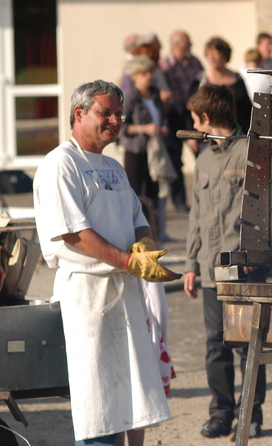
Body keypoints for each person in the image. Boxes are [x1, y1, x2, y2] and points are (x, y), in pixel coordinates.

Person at [32, 80, 180, 445]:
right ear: (79, 113)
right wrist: (131, 263)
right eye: (106, 113)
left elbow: (138, 216)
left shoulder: (113, 166)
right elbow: (74, 234)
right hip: (87, 295)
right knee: (98, 397)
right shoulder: (59, 164)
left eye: (119, 114)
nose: (115, 120)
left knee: (134, 387)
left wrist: (144, 246)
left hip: (126, 294)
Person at [183, 85, 272, 439]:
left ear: (207, 118)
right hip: (213, 273)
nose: (193, 125)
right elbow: (196, 217)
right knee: (217, 345)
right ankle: (221, 412)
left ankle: (251, 414)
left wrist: (255, 251)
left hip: (246, 271)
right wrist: (191, 265)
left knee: (248, 344)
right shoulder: (203, 159)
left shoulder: (252, 153)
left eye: (195, 119)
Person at [116, 198, 175, 446]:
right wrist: (162, 339)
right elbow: (159, 307)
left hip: (117, 330)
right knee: (138, 398)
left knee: (119, 396)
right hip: (144, 334)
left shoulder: (117, 257)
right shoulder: (147, 262)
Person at [119, 55, 168, 229]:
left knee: (154, 193)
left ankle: (154, 232)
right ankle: (134, 231)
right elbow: (122, 127)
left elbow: (162, 117)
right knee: (135, 193)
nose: (149, 76)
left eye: (150, 72)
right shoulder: (130, 97)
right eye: (144, 73)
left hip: (154, 150)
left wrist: (162, 128)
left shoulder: (155, 94)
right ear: (135, 76)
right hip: (136, 151)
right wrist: (144, 129)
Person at [160, 30, 204, 212]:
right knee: (175, 160)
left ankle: (205, 197)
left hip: (193, 114)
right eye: (188, 42)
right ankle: (179, 201)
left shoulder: (194, 61)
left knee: (202, 155)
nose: (191, 46)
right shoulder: (165, 65)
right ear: (177, 44)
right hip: (174, 116)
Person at [199, 36, 253, 133]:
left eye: (215, 54)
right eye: (208, 54)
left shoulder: (237, 78)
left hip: (239, 131)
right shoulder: (201, 80)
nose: (211, 57)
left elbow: (247, 107)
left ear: (224, 55)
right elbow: (195, 108)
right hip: (212, 133)